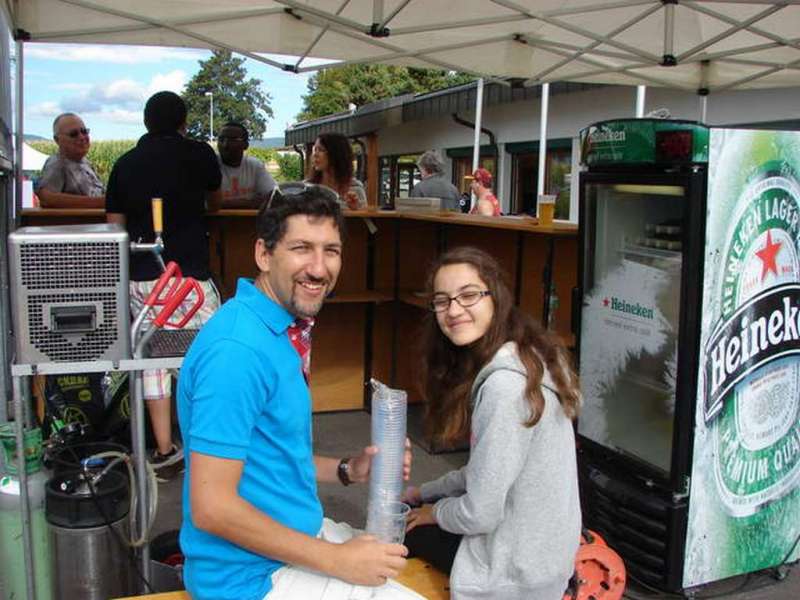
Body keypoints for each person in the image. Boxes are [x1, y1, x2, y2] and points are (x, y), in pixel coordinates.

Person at [177, 184, 416, 600]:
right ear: (263, 255)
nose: (320, 269)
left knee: (394, 563)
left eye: (332, 250)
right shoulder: (237, 351)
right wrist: (337, 560)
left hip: (289, 539)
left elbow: (266, 454)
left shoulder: (278, 327)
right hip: (247, 578)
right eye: (302, 248)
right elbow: (211, 506)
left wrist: (347, 470)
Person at [402, 246, 582, 600]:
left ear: (495, 297)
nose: (453, 310)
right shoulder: (528, 356)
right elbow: (489, 470)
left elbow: (480, 513)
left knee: (403, 529)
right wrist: (426, 492)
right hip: (545, 554)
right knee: (416, 509)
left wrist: (431, 512)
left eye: (468, 295)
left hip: (518, 574)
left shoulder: (504, 388)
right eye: (442, 301)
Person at [106, 91, 222, 479]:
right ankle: (208, 447)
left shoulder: (124, 164)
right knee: (208, 357)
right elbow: (217, 204)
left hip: (141, 278)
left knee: (152, 359)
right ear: (183, 122)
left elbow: (113, 228)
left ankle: (164, 448)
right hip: (189, 277)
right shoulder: (201, 155)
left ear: (144, 122)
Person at [36, 112, 105, 208]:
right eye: (74, 134)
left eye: (84, 131)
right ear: (57, 140)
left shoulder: (86, 163)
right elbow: (46, 198)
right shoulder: (57, 164)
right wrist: (99, 202)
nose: (81, 137)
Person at [217, 121, 276, 208]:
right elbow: (204, 202)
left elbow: (273, 197)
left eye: (232, 140)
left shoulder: (255, 166)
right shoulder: (209, 165)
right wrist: (251, 203)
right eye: (221, 140)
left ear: (245, 145)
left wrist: (223, 204)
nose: (225, 145)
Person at [307, 132, 367, 209]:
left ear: (336, 154)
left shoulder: (355, 188)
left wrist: (356, 210)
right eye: (315, 149)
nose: (315, 154)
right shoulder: (307, 188)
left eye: (321, 150)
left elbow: (365, 218)